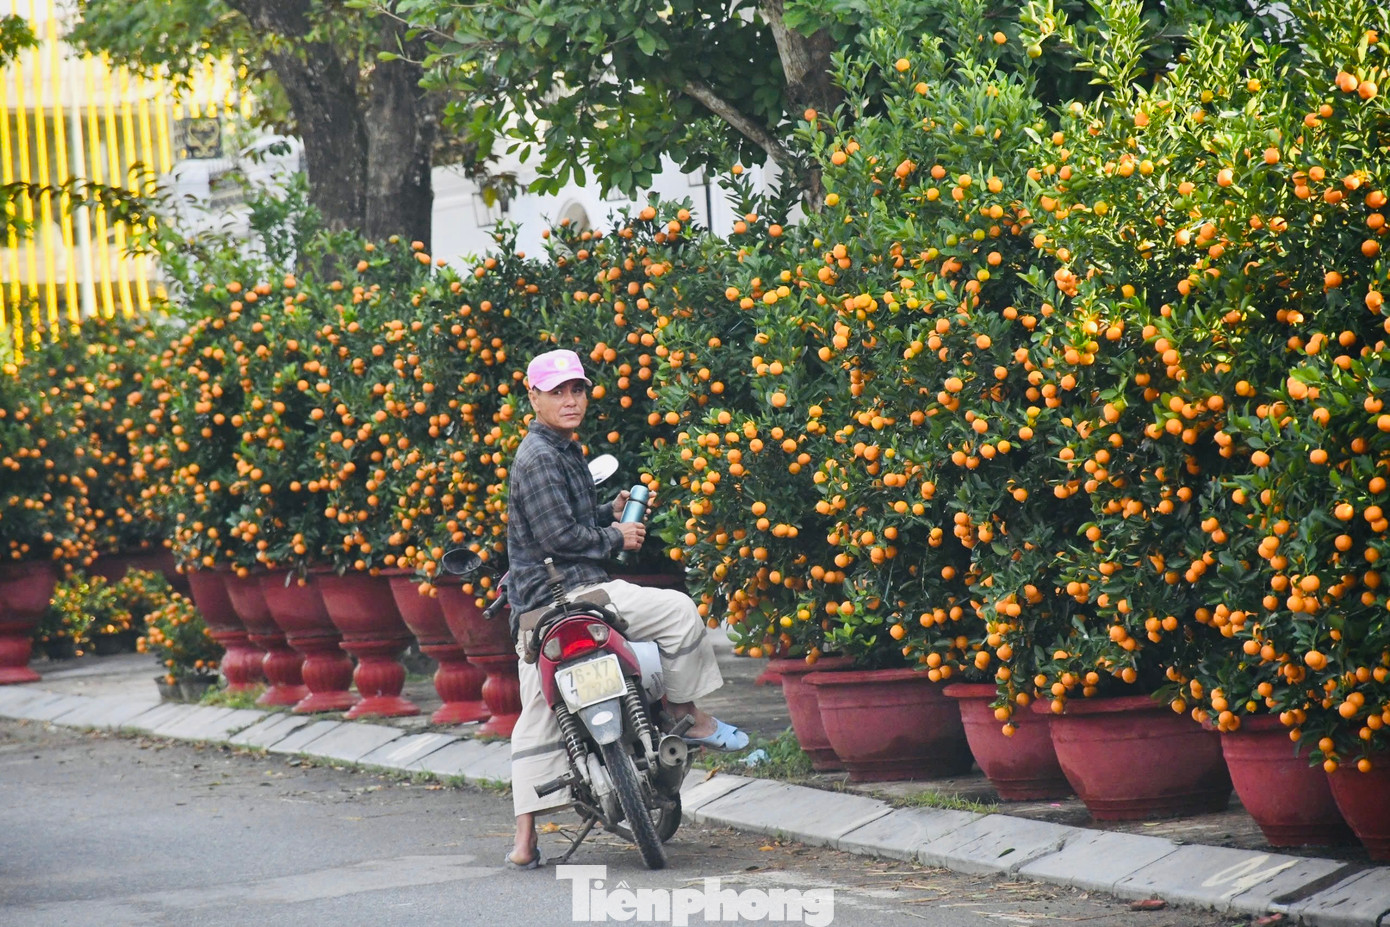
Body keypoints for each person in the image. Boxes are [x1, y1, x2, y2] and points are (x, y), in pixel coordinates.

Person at [502, 348, 748, 870]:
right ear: (533, 396)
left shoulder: (552, 448)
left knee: (537, 716)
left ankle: (524, 841)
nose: (570, 400)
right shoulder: (543, 455)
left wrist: (603, 510)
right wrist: (618, 533)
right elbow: (558, 536)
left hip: (533, 610)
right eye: (556, 391)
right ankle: (686, 714)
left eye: (577, 390)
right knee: (681, 613)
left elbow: (561, 517)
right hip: (573, 594)